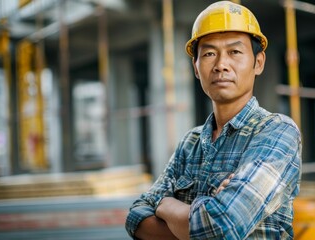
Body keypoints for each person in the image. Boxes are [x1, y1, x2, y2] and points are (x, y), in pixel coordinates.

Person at [125, 1, 302, 239]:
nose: (221, 65)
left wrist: (166, 206)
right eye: (209, 54)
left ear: (258, 63)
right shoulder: (191, 143)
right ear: (196, 68)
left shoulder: (277, 132)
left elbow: (221, 228)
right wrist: (202, 218)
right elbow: (135, 218)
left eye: (235, 52)